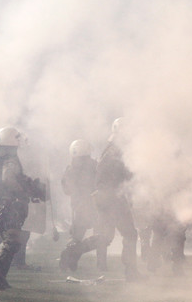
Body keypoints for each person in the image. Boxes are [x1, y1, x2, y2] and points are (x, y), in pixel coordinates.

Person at [55, 118, 143, 281]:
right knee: (128, 234)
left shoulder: (115, 151)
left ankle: (74, 251)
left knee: (106, 237)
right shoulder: (113, 152)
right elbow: (107, 176)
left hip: (110, 198)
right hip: (112, 198)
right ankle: (131, 272)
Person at [0, 127, 45, 290]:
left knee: (11, 241)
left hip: (0, 206)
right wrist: (25, 190)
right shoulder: (11, 160)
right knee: (12, 242)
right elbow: (8, 178)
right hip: (9, 206)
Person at [59, 139, 97, 271]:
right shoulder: (94, 165)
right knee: (102, 236)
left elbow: (66, 190)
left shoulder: (70, 168)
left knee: (76, 236)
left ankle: (70, 258)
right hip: (92, 204)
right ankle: (70, 256)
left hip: (77, 205)